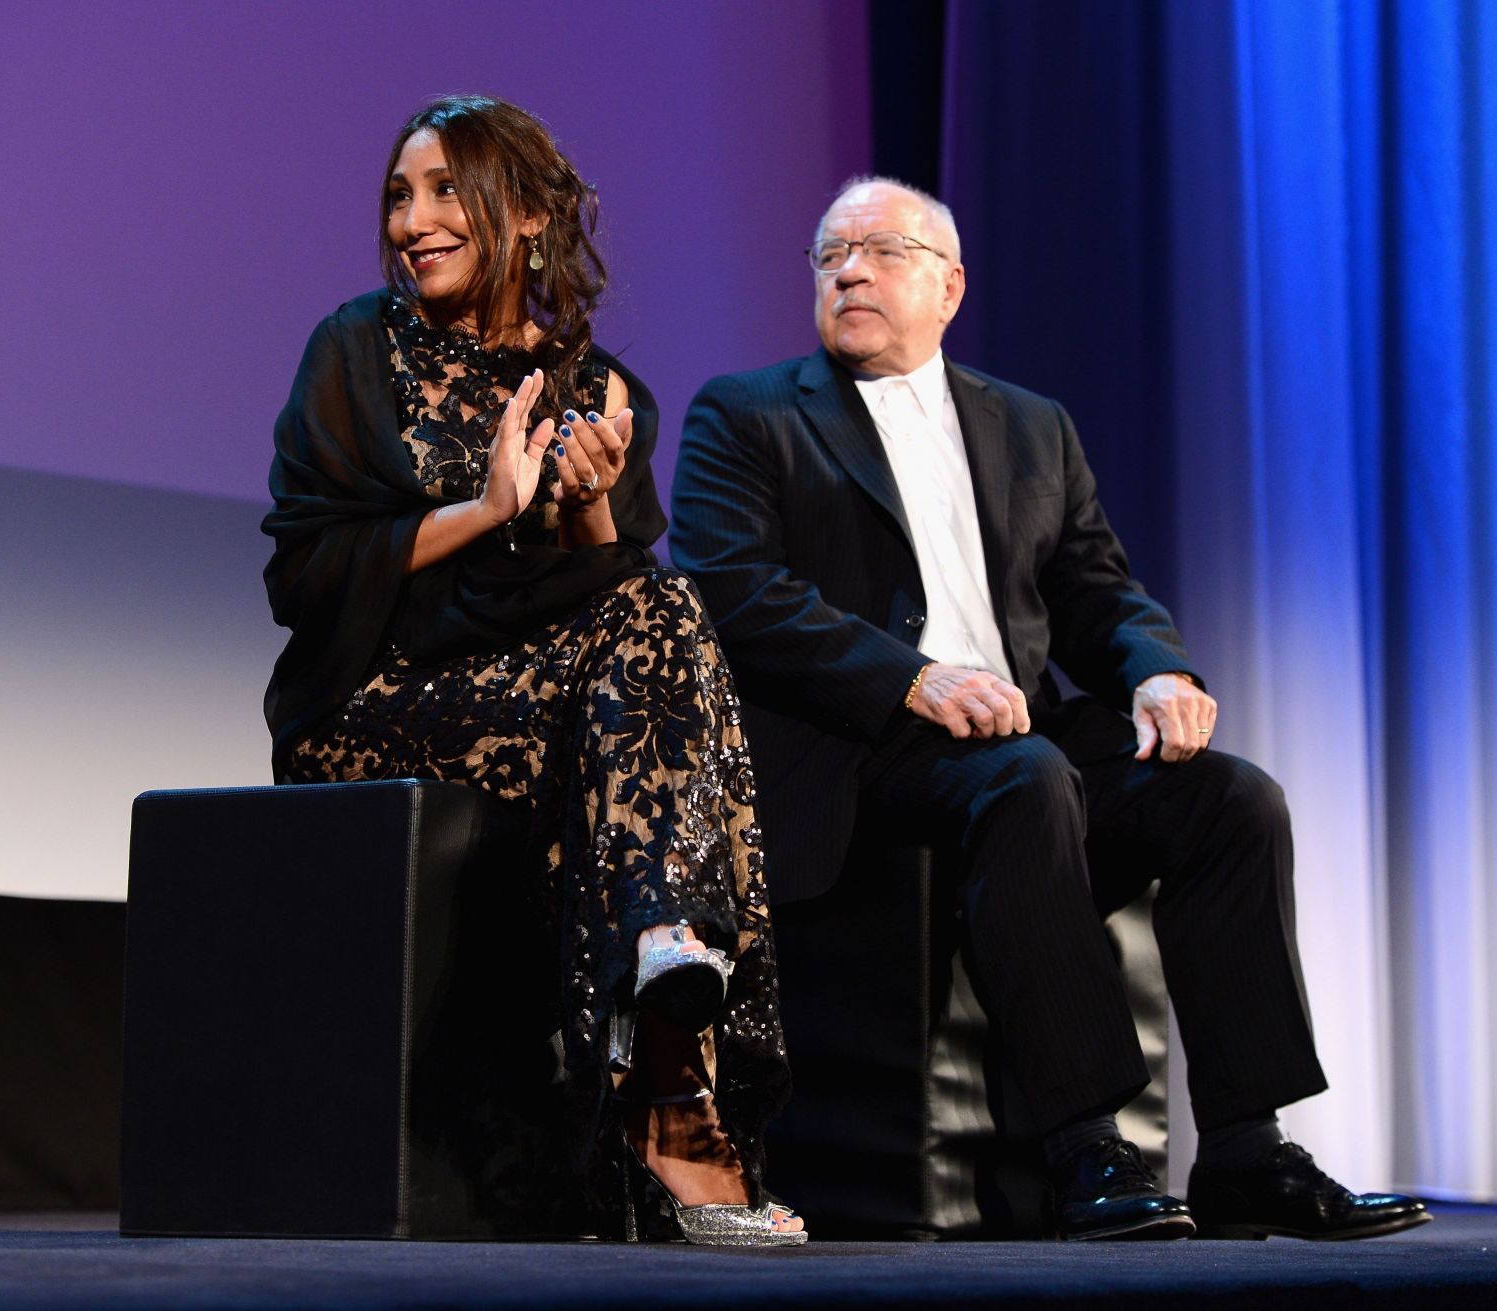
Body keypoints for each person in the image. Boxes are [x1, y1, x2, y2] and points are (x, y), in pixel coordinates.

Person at [669, 176, 1428, 1242]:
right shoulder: (746, 415)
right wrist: (910, 676)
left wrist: (1158, 669)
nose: (848, 271)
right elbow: (732, 590)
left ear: (949, 285)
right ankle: (1084, 1147)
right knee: (1027, 780)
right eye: (829, 256)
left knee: (1231, 800)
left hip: (1021, 731)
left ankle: (1249, 1151)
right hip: (859, 748)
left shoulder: (1029, 425)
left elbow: (1093, 590)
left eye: (881, 250)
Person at [260, 95, 803, 1245]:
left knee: (655, 601)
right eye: (400, 196)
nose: (415, 220)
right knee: (659, 619)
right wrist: (487, 508)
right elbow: (303, 580)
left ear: (527, 215)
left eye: (447, 189)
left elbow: (603, 606)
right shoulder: (356, 349)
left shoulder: (597, 390)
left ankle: (664, 992)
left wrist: (591, 503)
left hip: (538, 694)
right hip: (377, 696)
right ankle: (673, 1090)